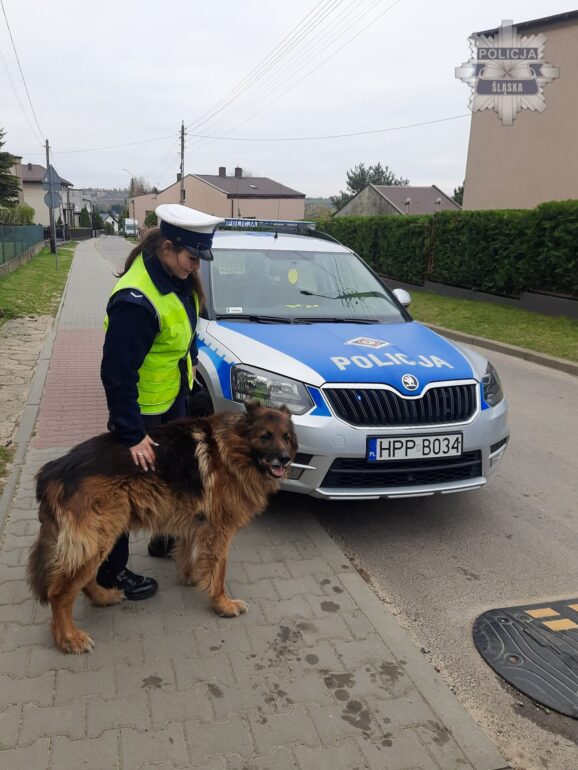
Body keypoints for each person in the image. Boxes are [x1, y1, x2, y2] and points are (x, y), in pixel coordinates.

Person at [97, 204, 224, 600]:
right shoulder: (136, 301)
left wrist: (190, 393)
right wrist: (132, 434)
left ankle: (164, 535)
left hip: (172, 404)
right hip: (142, 415)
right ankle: (110, 574)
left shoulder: (174, 276)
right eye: (192, 258)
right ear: (167, 247)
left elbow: (178, 342)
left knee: (172, 479)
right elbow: (117, 375)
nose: (196, 267)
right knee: (127, 495)